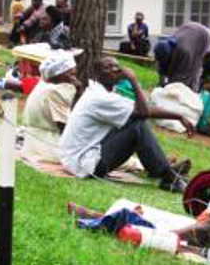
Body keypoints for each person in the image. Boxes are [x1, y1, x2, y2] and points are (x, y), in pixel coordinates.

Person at [59, 56, 194, 192]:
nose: (113, 70)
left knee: (132, 121)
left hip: (76, 159)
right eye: (107, 67)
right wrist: (133, 80)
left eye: (116, 66)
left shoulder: (101, 92)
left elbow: (138, 110)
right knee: (137, 126)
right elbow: (144, 112)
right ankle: (168, 176)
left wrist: (179, 116)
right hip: (84, 164)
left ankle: (163, 169)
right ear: (97, 74)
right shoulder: (101, 98)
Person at [22, 55, 83, 160]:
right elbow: (64, 127)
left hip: (33, 142)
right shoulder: (56, 91)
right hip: (49, 146)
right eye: (71, 74)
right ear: (59, 74)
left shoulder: (43, 85)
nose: (74, 78)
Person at [155, 22, 210, 91]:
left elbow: (181, 78)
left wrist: (170, 88)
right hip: (188, 29)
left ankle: (194, 93)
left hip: (204, 36)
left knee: (195, 70)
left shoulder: (185, 52)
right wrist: (162, 83)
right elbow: (162, 68)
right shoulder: (163, 46)